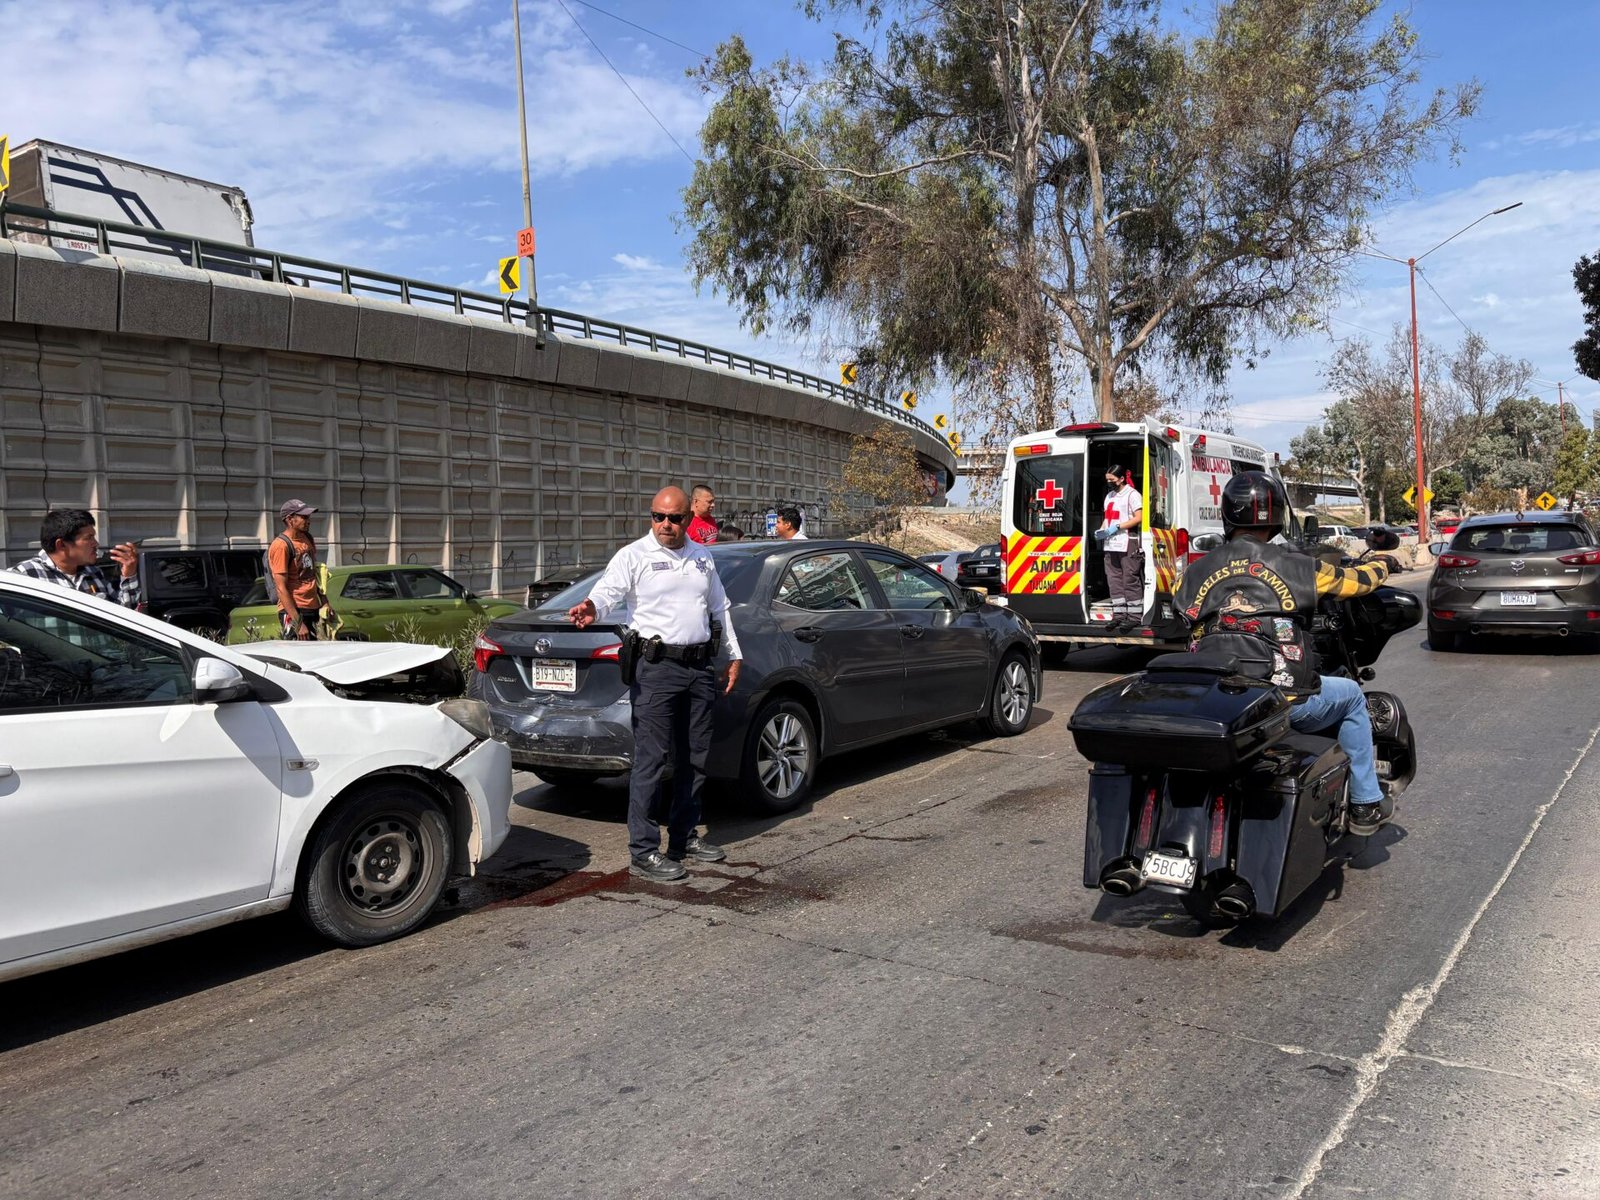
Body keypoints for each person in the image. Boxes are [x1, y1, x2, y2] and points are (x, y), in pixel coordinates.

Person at [1175, 471, 1394, 835]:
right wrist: (1384, 564)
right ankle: (1366, 804)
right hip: (1281, 698)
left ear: (1227, 515)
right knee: (1353, 697)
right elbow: (1356, 582)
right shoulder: (1300, 566)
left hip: (1214, 699)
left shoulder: (1193, 572)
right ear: (1276, 516)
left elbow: (1179, 611)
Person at [568, 486, 744, 883]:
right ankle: (643, 852)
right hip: (656, 668)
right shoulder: (634, 556)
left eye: (675, 518)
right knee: (651, 759)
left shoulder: (702, 557)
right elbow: (608, 592)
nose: (665, 524)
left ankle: (684, 836)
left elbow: (720, 607)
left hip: (698, 666)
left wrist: (734, 654)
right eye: (658, 516)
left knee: (695, 756)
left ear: (688, 519)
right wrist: (591, 607)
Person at [10, 509, 141, 606]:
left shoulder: (94, 573)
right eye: (89, 538)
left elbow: (124, 615)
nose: (96, 544)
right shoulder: (26, 575)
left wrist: (129, 574)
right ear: (61, 544)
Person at [269, 499, 330, 640]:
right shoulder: (281, 546)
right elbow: (281, 589)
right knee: (297, 656)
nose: (308, 521)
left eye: (308, 517)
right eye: (304, 517)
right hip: (293, 610)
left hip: (312, 607)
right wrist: (298, 623)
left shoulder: (307, 538)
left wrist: (325, 602)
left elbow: (315, 574)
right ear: (290, 519)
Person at [1094, 464, 1143, 631]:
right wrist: (1102, 531)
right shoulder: (1109, 496)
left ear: (1122, 479)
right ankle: (1119, 615)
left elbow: (1139, 518)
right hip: (1111, 543)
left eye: (1112, 480)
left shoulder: (1132, 495)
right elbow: (1107, 518)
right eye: (1107, 480)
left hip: (1127, 540)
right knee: (1114, 580)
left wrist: (1118, 527)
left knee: (1129, 579)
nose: (1109, 482)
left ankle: (1134, 616)